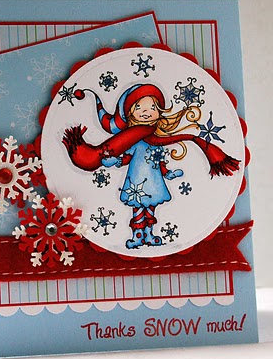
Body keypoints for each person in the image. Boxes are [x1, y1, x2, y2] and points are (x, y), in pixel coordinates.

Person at [62, 84, 240, 249]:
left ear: (160, 112)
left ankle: (149, 234)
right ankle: (137, 235)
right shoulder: (132, 140)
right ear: (130, 113)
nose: (146, 111)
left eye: (153, 107)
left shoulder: (157, 141)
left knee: (151, 208)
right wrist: (115, 161)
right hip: (136, 181)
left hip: (154, 181)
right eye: (139, 107)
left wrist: (168, 173)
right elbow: (126, 158)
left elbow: (159, 160)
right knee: (138, 208)